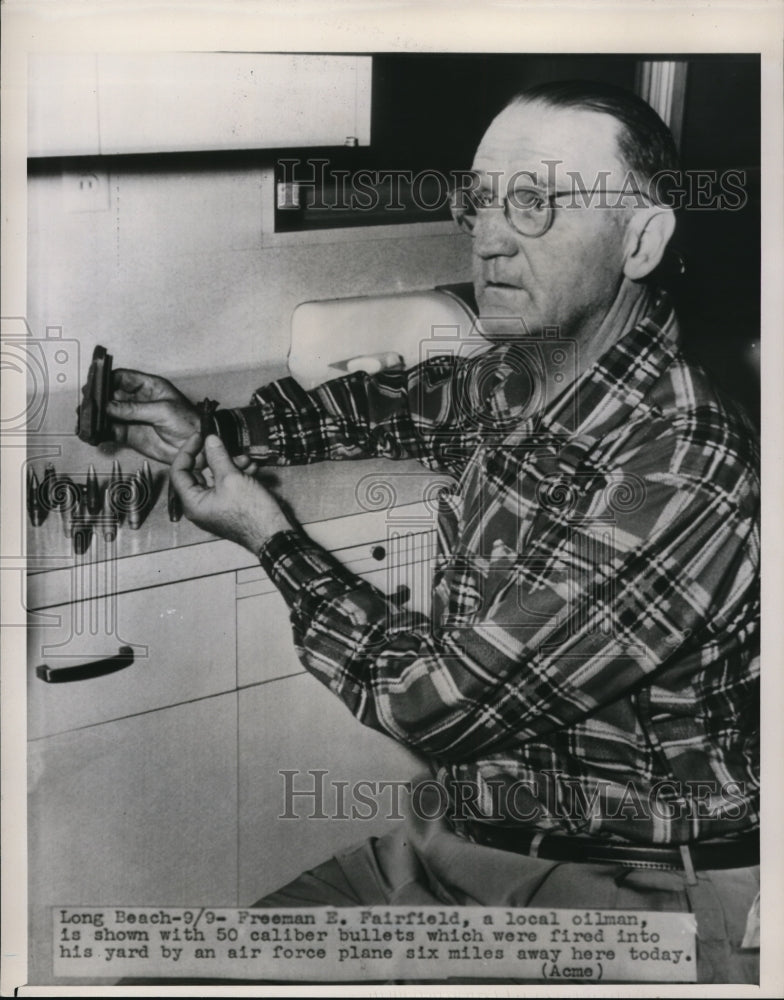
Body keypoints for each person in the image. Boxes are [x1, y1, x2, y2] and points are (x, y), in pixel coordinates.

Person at [105, 81, 760, 984]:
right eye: (481, 199)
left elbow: (435, 702)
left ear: (641, 238)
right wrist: (219, 428)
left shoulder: (681, 467)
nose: (489, 235)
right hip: (460, 850)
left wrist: (271, 536)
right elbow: (404, 405)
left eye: (536, 202)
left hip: (628, 898)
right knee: (163, 977)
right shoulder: (532, 373)